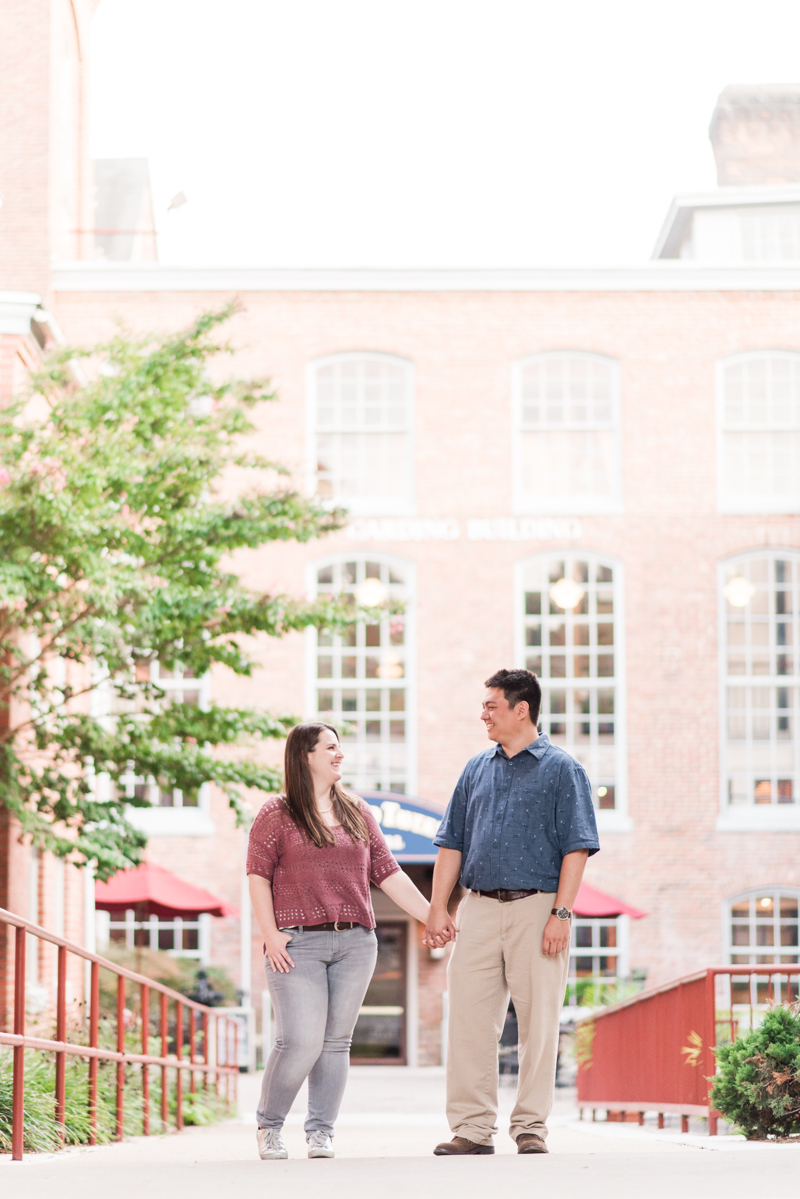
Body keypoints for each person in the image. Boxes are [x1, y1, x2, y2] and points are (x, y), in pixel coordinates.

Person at [424, 668, 599, 1156]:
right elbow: (451, 844)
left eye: (491, 705)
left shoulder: (564, 769)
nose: (483, 713)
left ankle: (530, 1127)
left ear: (521, 709)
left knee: (538, 1022)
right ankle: (473, 1129)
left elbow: (577, 848)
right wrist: (439, 908)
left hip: (538, 907)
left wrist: (562, 914)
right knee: (468, 1022)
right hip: (478, 907)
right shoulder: (475, 769)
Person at [247, 722, 430, 1161]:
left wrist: (433, 915)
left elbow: (390, 874)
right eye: (331, 748)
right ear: (305, 756)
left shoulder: (357, 811)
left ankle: (320, 1131)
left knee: (335, 1042)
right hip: (296, 944)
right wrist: (270, 935)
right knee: (299, 1040)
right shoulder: (277, 813)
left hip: (355, 944)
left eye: (339, 747)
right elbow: (257, 876)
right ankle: (269, 1126)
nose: (340, 755)